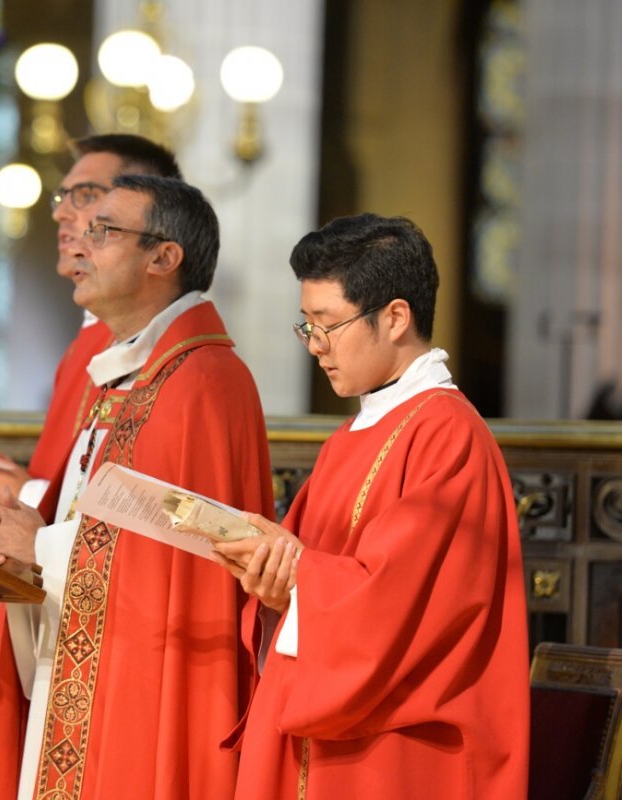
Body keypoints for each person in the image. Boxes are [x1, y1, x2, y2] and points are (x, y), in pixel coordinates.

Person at [0, 175, 274, 799]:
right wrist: (15, 527)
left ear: (163, 257)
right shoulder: (122, 376)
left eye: (103, 231)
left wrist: (40, 549)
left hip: (153, 696)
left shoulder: (202, 384)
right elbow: (107, 525)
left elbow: (190, 570)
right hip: (91, 683)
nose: (79, 242)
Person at [214, 214, 529, 798]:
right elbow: (306, 577)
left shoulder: (447, 436)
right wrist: (268, 567)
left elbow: (393, 602)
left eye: (327, 325)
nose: (314, 346)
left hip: (397, 752)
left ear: (395, 317)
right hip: (330, 732)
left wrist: (293, 574)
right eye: (305, 326)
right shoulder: (352, 437)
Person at [0, 134, 182, 511]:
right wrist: (18, 492)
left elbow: (152, 514)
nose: (60, 213)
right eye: (62, 197)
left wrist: (26, 494)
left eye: (84, 195)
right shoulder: (91, 339)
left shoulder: (156, 350)